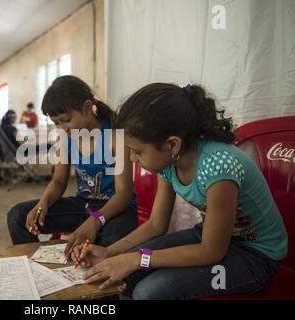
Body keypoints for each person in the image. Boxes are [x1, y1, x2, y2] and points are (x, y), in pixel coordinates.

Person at [71, 83, 288, 300]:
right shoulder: (168, 163)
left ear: (172, 144)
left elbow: (211, 251)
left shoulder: (219, 167)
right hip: (209, 236)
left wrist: (138, 258)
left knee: (149, 291)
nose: (131, 159)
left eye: (137, 152)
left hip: (256, 256)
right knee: (127, 274)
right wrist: (110, 252)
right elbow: (156, 224)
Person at [7, 75, 137, 257]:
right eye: (56, 123)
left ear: (86, 107)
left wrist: (95, 220)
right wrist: (43, 203)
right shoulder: (66, 138)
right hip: (84, 205)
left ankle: (94, 274)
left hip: (116, 209)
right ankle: (35, 267)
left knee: (111, 238)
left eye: (66, 120)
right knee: (18, 216)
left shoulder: (115, 136)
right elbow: (59, 182)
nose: (62, 128)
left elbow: (124, 194)